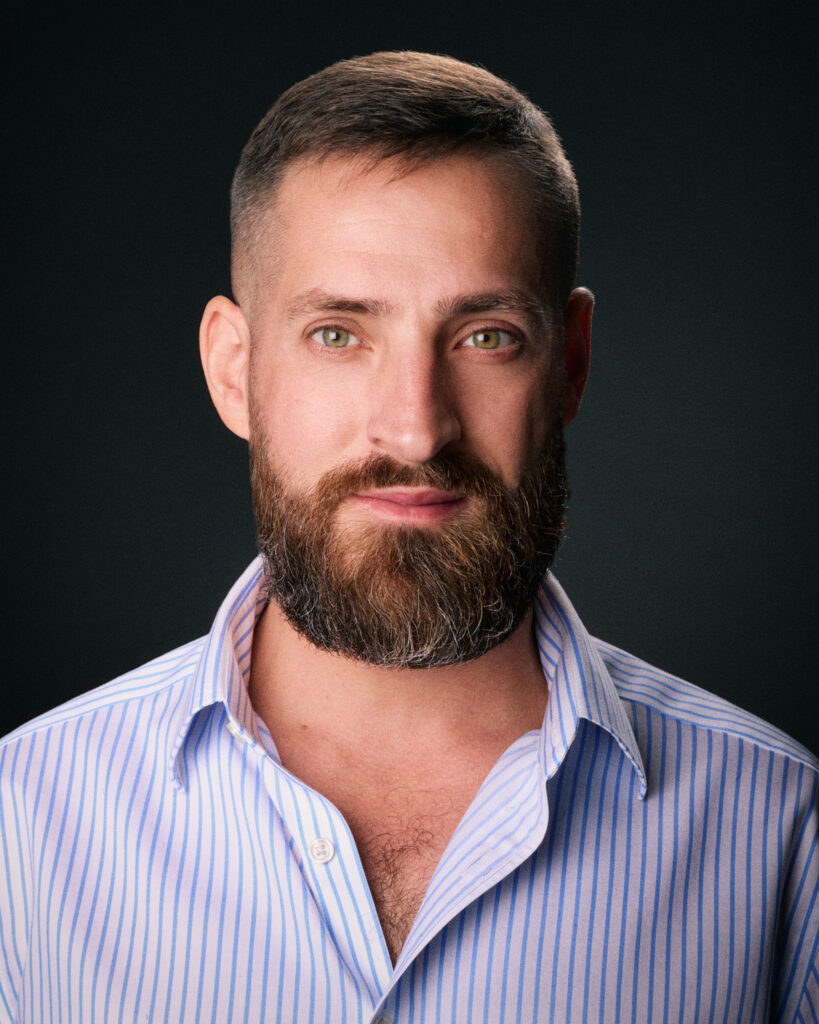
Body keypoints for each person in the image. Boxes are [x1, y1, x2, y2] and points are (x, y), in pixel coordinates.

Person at [0, 51, 816, 1024]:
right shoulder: (21, 825)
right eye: (339, 333)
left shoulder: (782, 835)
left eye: (485, 335)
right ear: (233, 370)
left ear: (572, 365)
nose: (417, 427)